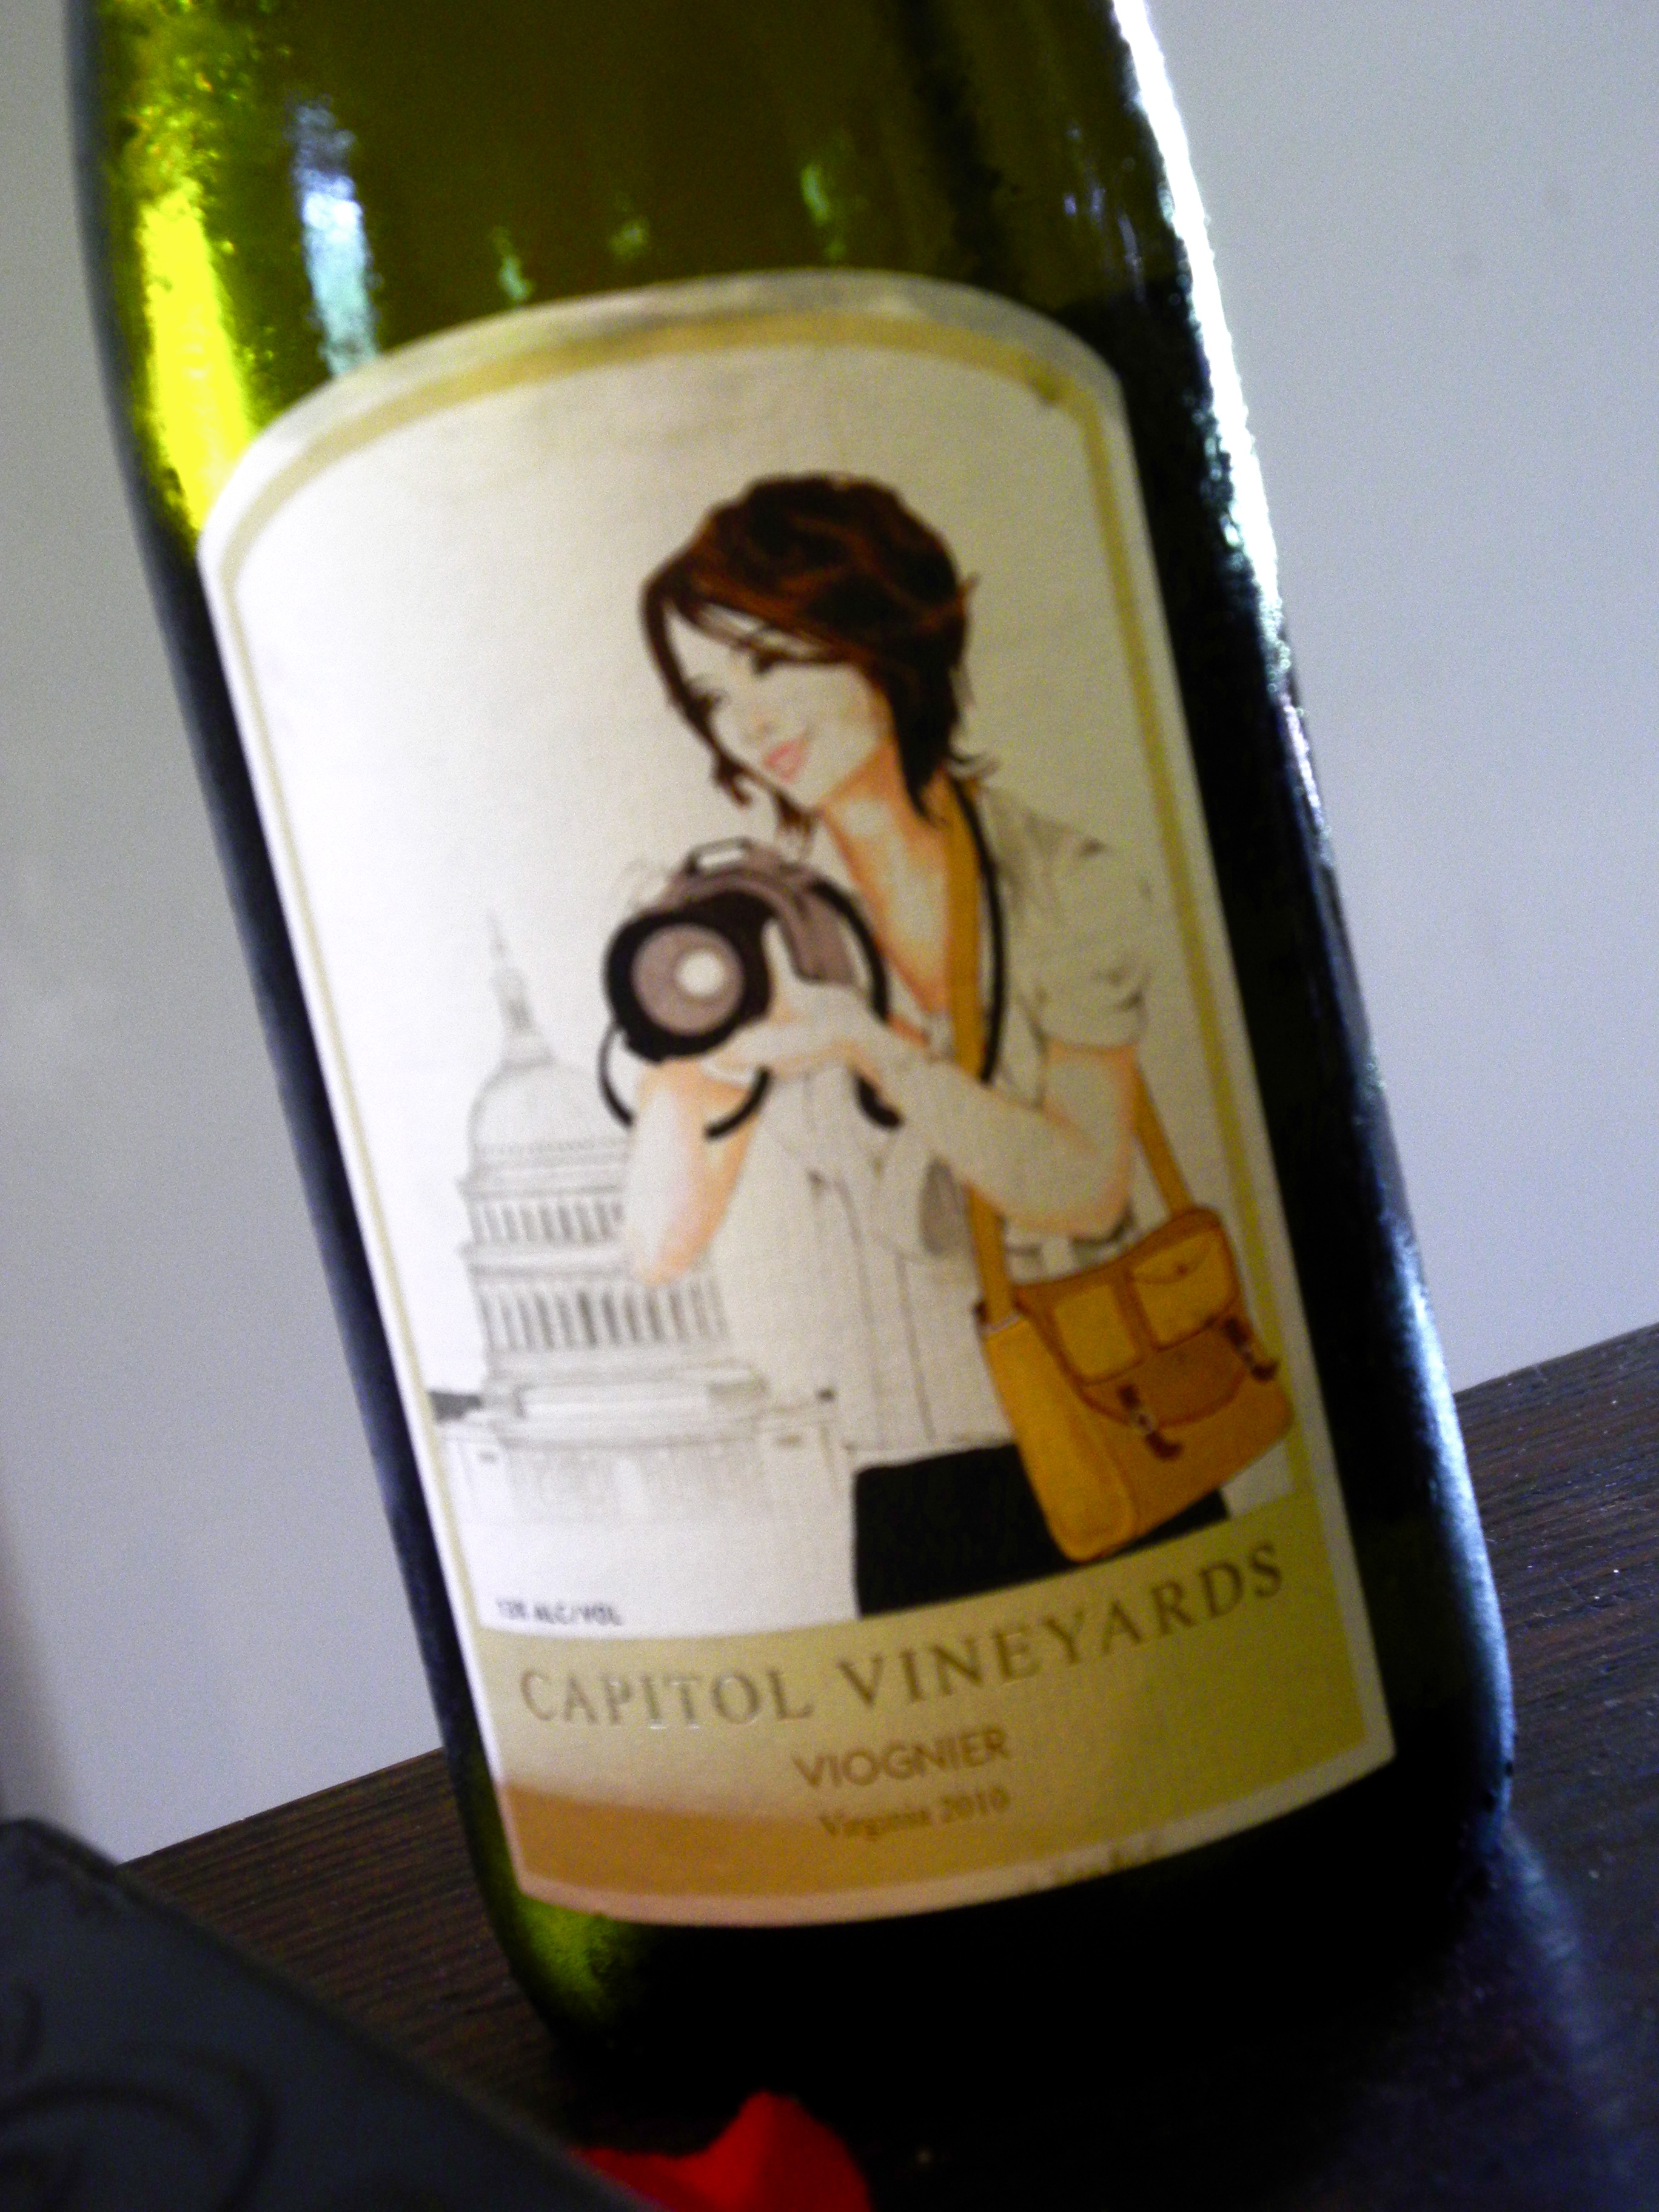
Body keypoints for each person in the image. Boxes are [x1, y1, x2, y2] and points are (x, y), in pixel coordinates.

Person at [623, 474, 1222, 1614]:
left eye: (768, 661)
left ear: (876, 631)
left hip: (1116, 1418)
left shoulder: (1060, 883)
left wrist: (872, 1047)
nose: (747, 722)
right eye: (710, 698)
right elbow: (658, 1246)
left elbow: (1083, 1188)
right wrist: (686, 1039)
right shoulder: (758, 933)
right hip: (910, 1488)